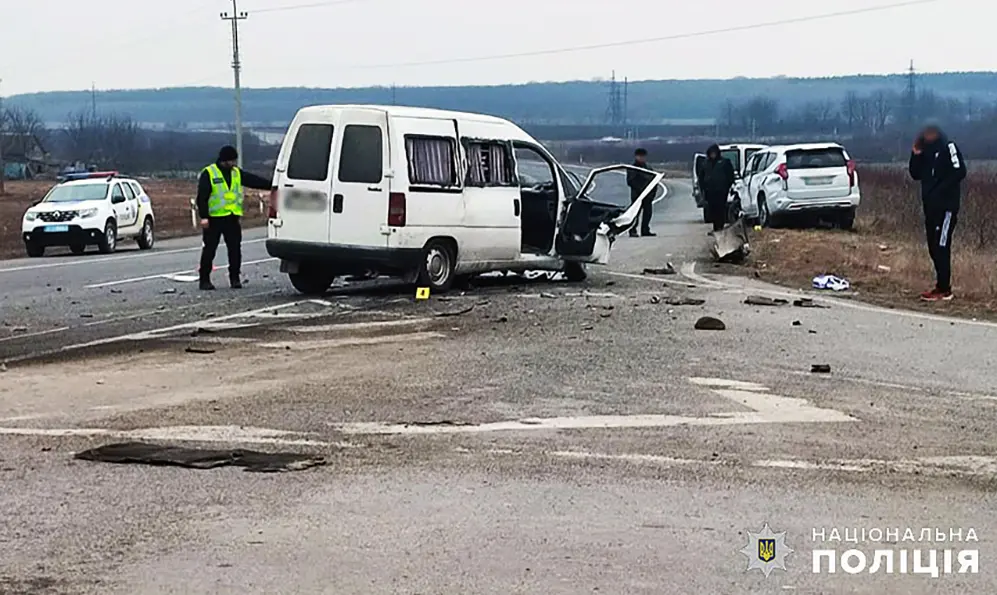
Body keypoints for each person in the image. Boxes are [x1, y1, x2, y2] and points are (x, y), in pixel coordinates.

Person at [196, 146, 273, 290]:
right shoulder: (209, 173)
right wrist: (204, 217)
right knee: (209, 249)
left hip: (231, 217)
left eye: (234, 160)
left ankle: (234, 278)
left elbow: (252, 180)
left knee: (235, 249)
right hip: (214, 218)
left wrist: (272, 185)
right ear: (223, 160)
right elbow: (202, 197)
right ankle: (204, 279)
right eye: (231, 160)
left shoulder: (236, 173)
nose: (233, 163)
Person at [908, 122, 966, 301]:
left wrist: (940, 191)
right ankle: (939, 286)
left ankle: (945, 289)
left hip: (946, 207)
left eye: (931, 132)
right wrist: (915, 155)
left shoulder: (949, 147)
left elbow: (960, 171)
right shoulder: (925, 152)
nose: (928, 135)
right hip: (930, 208)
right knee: (933, 247)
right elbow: (915, 174)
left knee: (942, 246)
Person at [700, 144, 736, 232]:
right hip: (710, 191)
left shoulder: (724, 162)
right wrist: (703, 188)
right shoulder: (706, 163)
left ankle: (720, 227)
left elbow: (730, 175)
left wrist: (727, 186)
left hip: (721, 191)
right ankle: (715, 227)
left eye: (714, 153)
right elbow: (701, 177)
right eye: (711, 153)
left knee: (721, 209)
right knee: (712, 210)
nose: (713, 155)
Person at [626, 148, 657, 237]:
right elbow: (630, 181)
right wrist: (641, 190)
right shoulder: (632, 168)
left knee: (648, 213)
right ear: (636, 157)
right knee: (635, 214)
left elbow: (653, 179)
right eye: (640, 156)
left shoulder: (648, 168)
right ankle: (632, 230)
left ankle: (645, 230)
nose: (642, 158)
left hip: (648, 195)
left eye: (643, 156)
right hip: (637, 195)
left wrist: (652, 192)